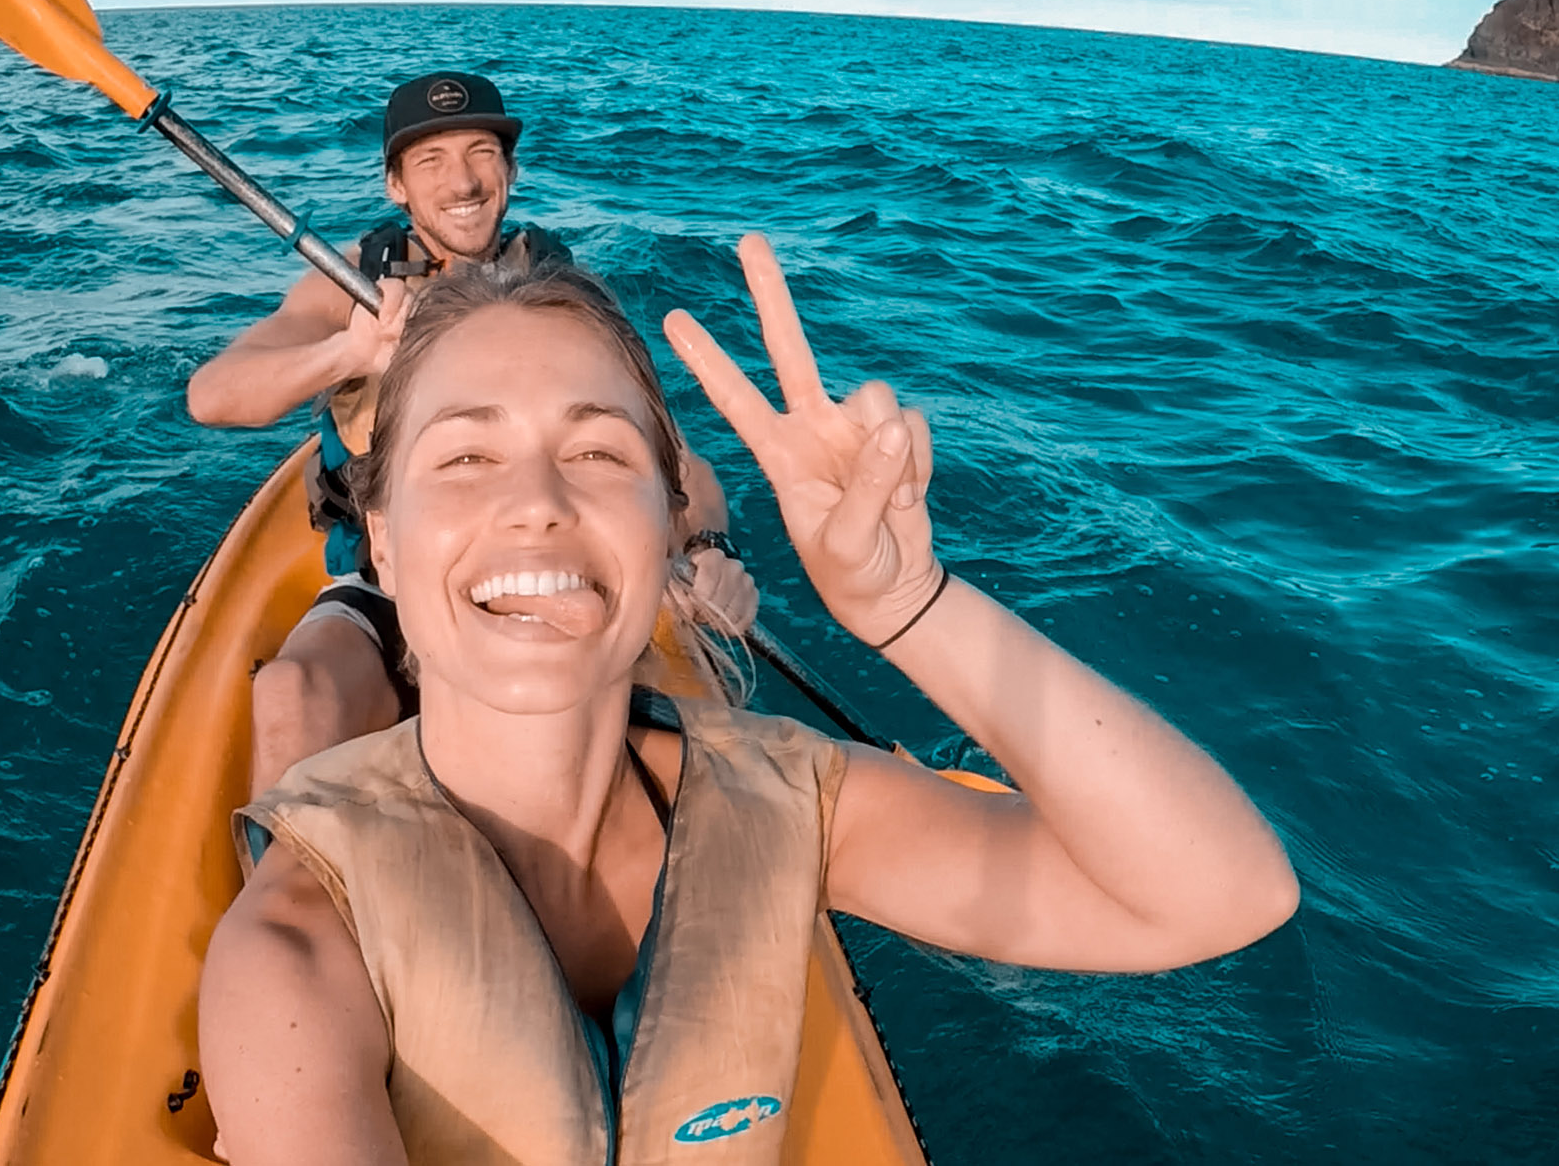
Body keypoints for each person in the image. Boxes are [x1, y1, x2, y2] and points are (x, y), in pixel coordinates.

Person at [198, 237, 1301, 1164]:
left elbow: (1218, 896)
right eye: (466, 455)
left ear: (664, 520)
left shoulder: (792, 797)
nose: (535, 502)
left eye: (596, 449)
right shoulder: (293, 950)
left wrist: (912, 607)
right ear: (380, 543)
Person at [186, 71, 758, 793]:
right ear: (396, 185)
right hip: (394, 581)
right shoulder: (351, 287)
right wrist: (349, 354)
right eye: (430, 160)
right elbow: (212, 396)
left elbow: (677, 464)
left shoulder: (564, 299)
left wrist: (708, 547)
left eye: (482, 152)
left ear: (510, 170)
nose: (463, 181)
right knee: (291, 692)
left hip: (545, 567)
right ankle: (306, 894)